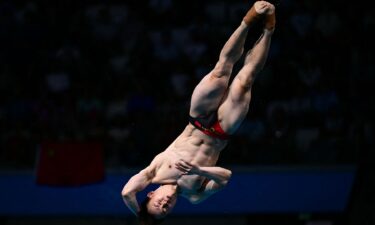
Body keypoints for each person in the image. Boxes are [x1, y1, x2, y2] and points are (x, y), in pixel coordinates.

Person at [121, 1, 276, 224]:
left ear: (151, 194)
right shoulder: (194, 195)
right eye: (165, 210)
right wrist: (200, 170)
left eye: (158, 204)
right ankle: (269, 28)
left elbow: (126, 193)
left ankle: (247, 21)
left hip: (199, 120)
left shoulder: (153, 173)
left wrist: (143, 218)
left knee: (221, 70)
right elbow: (225, 177)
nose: (164, 204)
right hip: (222, 131)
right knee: (245, 81)